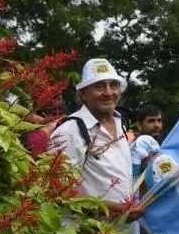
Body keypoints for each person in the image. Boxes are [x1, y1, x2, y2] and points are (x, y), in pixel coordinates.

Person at [51, 58, 136, 221]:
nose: (108, 92)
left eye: (113, 85)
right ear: (83, 94)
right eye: (99, 86)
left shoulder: (121, 125)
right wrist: (110, 209)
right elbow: (55, 191)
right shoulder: (70, 131)